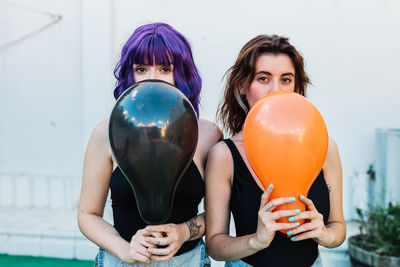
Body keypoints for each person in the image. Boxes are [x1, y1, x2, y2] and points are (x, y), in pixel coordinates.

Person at [78, 23, 221, 266]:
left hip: (188, 260)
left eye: (165, 68)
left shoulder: (208, 134)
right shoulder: (106, 133)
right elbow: (87, 215)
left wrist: (183, 232)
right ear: (129, 74)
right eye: (141, 68)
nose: (152, 78)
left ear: (181, 74)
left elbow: (218, 215)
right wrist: (125, 250)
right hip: (122, 261)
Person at [205, 35, 345, 267]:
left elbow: (338, 227)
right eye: (263, 78)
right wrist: (255, 241)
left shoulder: (325, 147)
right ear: (242, 86)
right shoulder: (224, 155)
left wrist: (325, 234)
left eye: (286, 80)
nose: (275, 90)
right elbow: (215, 245)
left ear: (297, 87)